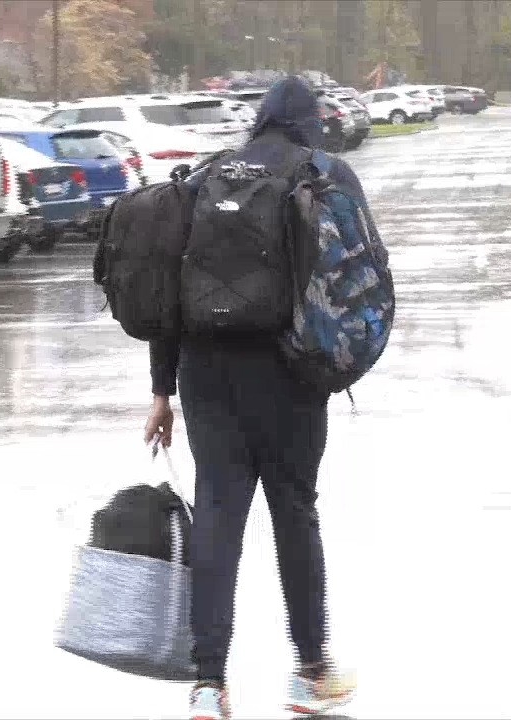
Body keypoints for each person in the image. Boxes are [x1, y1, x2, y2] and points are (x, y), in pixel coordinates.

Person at [143, 75, 370, 720]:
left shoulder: (208, 177)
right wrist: (341, 361)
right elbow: (356, 276)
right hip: (290, 373)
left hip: (207, 374)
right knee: (295, 512)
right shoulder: (323, 176)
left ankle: (208, 685)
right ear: (309, 121)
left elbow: (168, 294)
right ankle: (309, 674)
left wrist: (163, 390)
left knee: (217, 514)